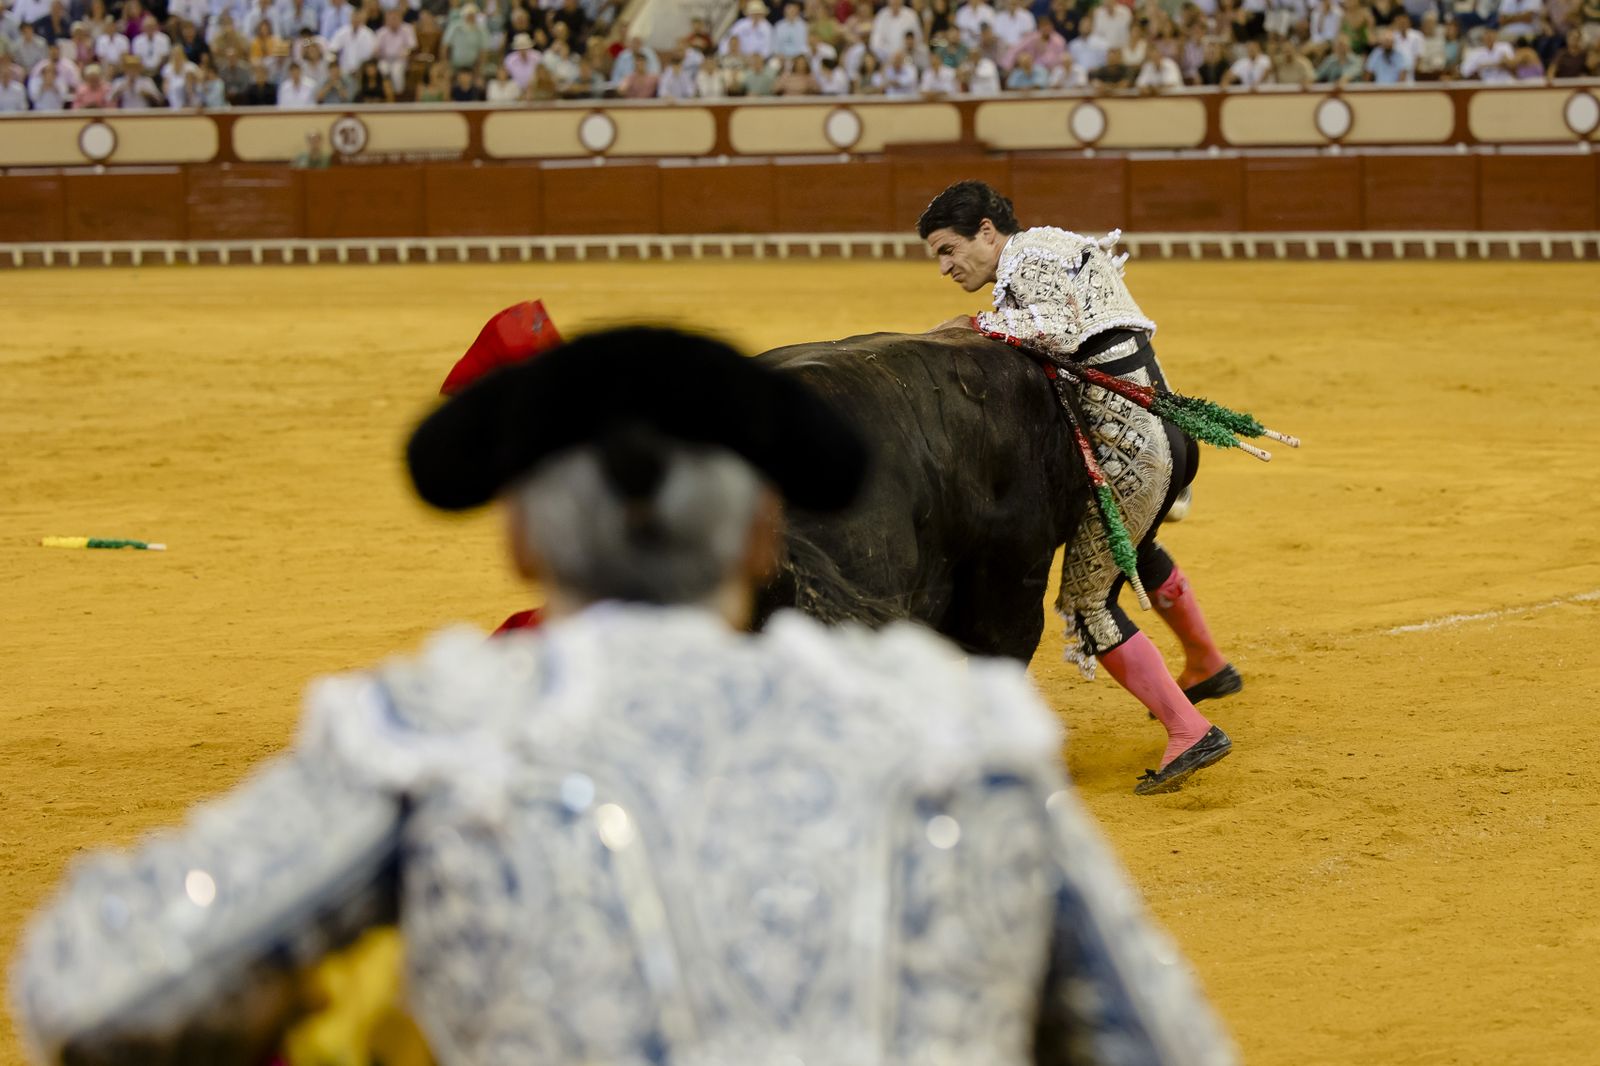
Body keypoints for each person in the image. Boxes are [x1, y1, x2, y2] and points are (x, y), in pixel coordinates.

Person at [11, 325, 1236, 1065]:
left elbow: (90, 987)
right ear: (765, 533)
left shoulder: (422, 743)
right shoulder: (959, 740)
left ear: (523, 552)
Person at [918, 181, 1239, 794]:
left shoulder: (1030, 258)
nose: (946, 266)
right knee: (1132, 552)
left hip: (1132, 450)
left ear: (988, 232)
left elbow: (1052, 329)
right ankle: (1207, 664)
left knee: (1088, 603)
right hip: (1158, 430)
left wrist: (970, 324)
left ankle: (1187, 728)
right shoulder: (1047, 249)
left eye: (949, 248)